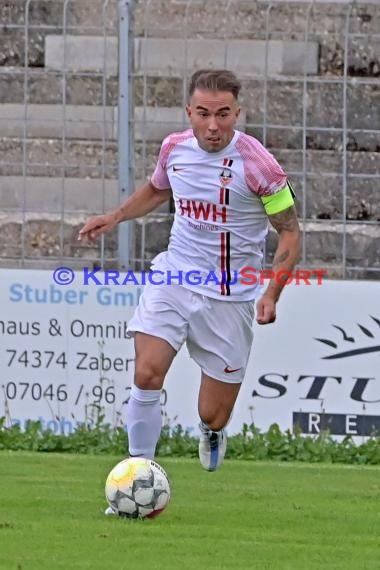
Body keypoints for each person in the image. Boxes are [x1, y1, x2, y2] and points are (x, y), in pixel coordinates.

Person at [79, 69, 301, 481]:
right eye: (203, 113)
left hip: (229, 297)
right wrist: (114, 217)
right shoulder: (174, 148)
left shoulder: (260, 166)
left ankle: (211, 432)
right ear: (189, 112)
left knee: (212, 412)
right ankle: (137, 475)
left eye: (223, 114)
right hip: (175, 277)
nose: (213, 126)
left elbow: (289, 230)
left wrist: (273, 293)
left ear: (238, 112)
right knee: (146, 372)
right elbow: (159, 189)